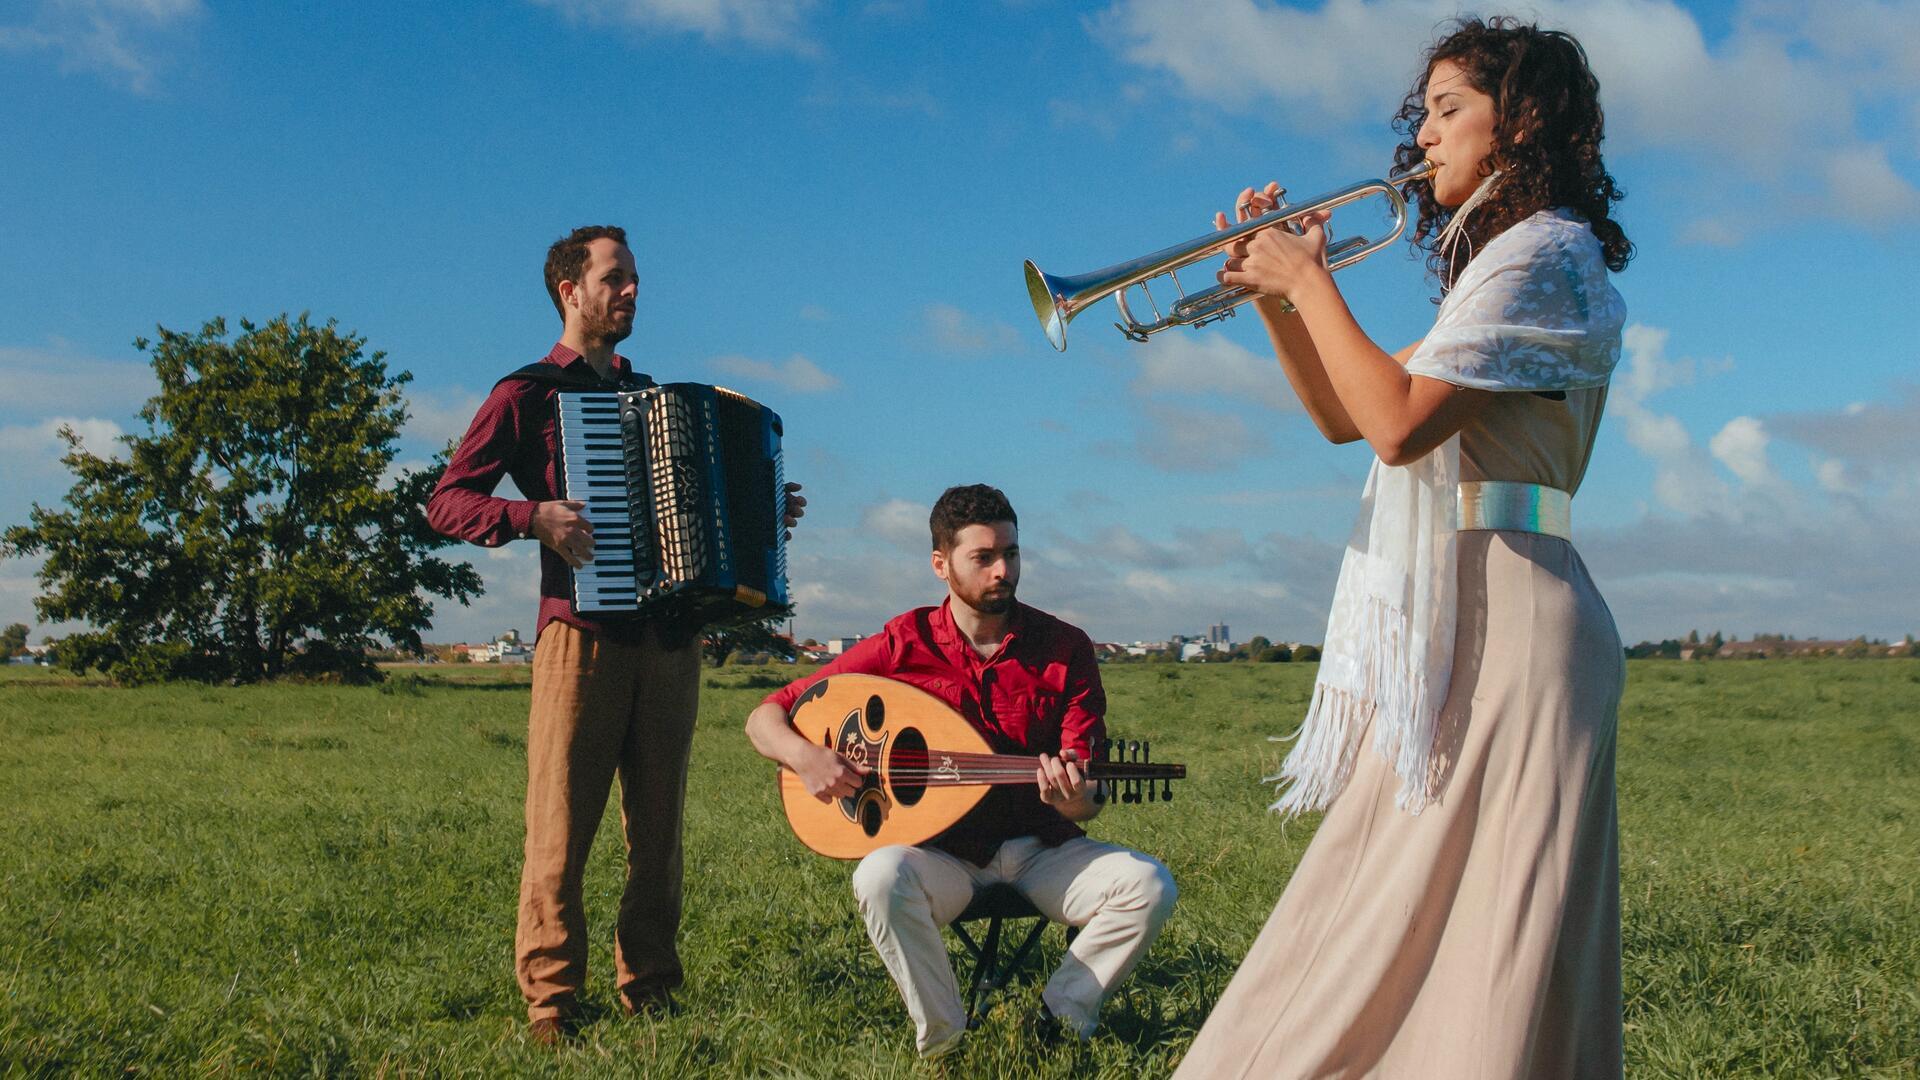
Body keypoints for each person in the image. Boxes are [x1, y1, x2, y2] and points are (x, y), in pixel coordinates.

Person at [1173, 18, 1632, 1079]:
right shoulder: (1504, 271)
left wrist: (1310, 282)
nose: (1421, 137)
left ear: (1519, 125)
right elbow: (1349, 414)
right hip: (1469, 606)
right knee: (1384, 903)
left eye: (1447, 109)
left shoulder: (1547, 254)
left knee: (1482, 931)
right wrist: (1278, 303)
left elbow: (1396, 423)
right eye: (1420, 113)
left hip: (1518, 614)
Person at [426, 225, 805, 1044]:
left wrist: (762, 508)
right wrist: (533, 517)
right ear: (571, 290)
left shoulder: (655, 397)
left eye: (636, 279)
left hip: (669, 641)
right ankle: (552, 1002)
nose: (632, 291)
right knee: (559, 828)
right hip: (581, 639)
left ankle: (651, 987)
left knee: (659, 829)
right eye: (616, 278)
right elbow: (447, 500)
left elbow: (698, 512)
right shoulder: (526, 393)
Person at [745, 484, 1177, 1058]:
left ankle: (1058, 1020)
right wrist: (807, 756)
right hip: (942, 854)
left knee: (1148, 885)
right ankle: (946, 1041)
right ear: (941, 565)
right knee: (879, 876)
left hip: (1041, 848)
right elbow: (766, 715)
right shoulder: (904, 643)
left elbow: (1087, 799)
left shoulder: (1063, 647)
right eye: (984, 558)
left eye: (1012, 554)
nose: (1004, 570)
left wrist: (1072, 796)